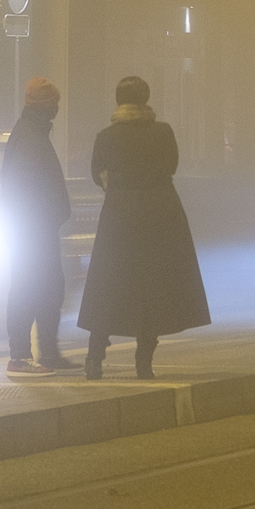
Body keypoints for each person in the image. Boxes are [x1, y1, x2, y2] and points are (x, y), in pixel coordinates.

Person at [78, 76, 210, 379]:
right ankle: (144, 362)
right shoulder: (163, 132)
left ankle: (94, 358)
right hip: (160, 216)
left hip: (118, 218)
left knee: (108, 286)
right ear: (146, 98)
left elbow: (97, 175)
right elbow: (172, 166)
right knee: (153, 288)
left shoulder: (106, 136)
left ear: (118, 100)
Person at [2, 76, 75, 377]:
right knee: (29, 288)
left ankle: (48, 353)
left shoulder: (31, 132)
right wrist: (47, 217)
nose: (58, 109)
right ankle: (20, 358)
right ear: (46, 106)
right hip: (33, 230)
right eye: (54, 103)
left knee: (47, 289)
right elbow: (29, 187)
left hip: (35, 228)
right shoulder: (31, 137)